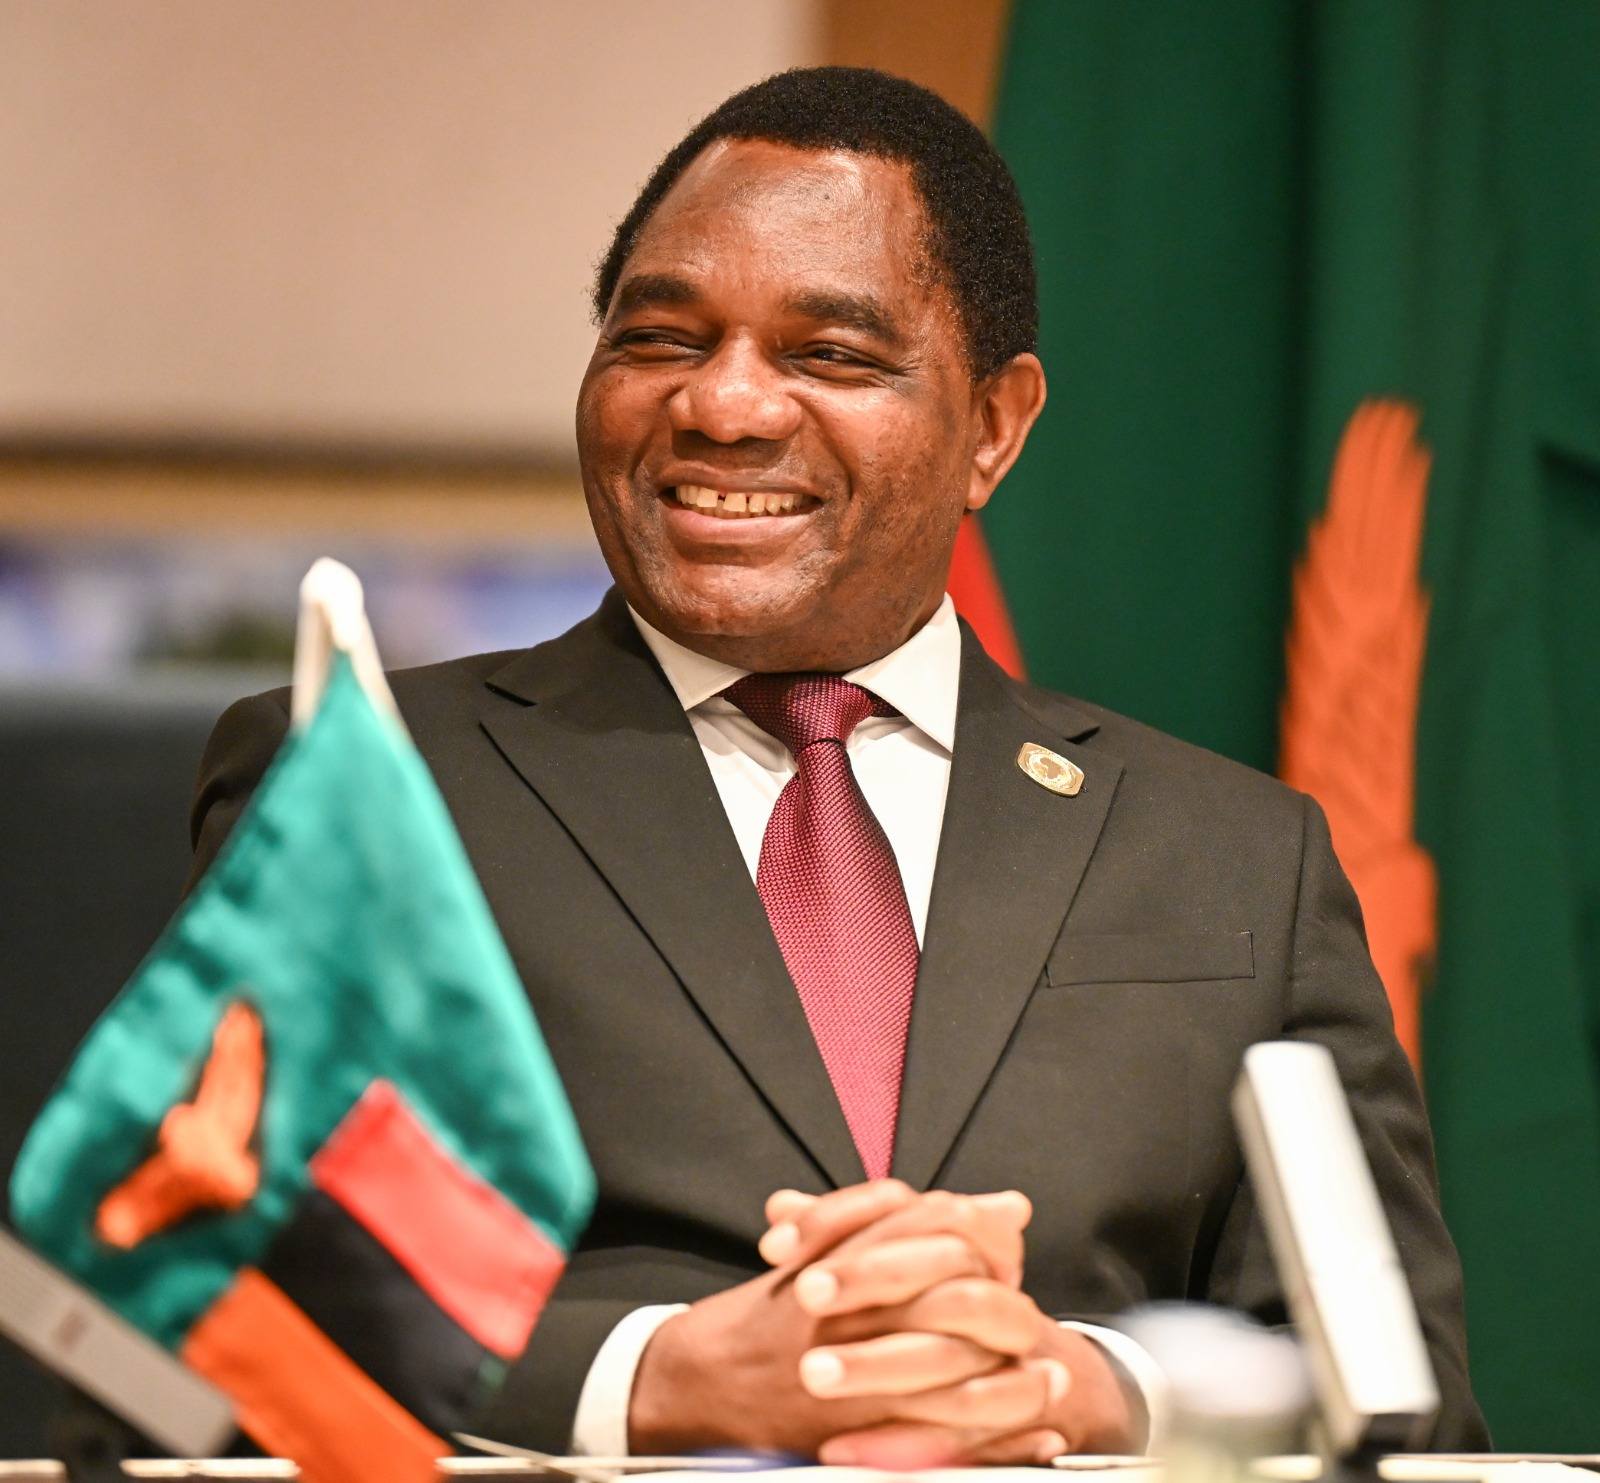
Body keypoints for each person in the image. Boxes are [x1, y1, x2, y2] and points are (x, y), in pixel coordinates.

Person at [189, 67, 1487, 1467]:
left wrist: (1090, 1386)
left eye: (832, 355)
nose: (724, 405)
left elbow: (1399, 1392)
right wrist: (656, 1379)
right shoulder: (367, 779)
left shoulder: (1235, 856)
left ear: (995, 426)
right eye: (660, 338)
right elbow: (221, 1286)